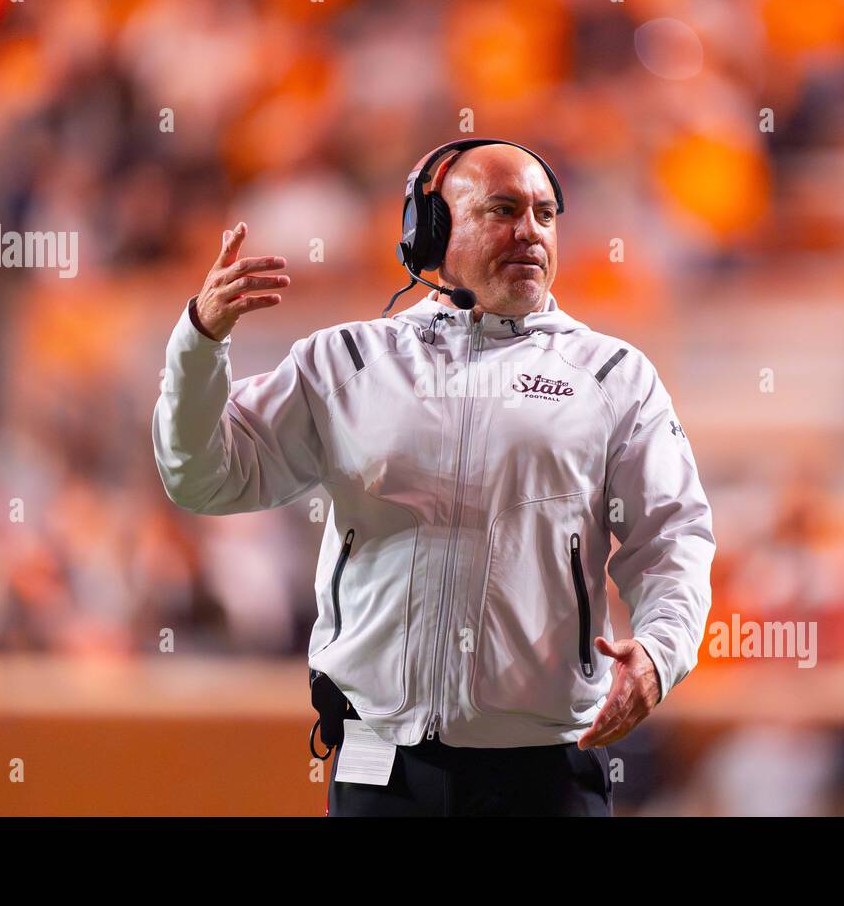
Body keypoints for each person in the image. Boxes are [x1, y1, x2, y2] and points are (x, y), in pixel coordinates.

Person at [152, 139, 716, 816]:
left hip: (546, 769)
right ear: (430, 232)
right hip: (378, 758)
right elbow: (202, 477)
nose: (530, 230)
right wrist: (199, 344)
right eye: (502, 209)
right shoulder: (349, 361)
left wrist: (658, 654)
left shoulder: (611, 376)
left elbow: (673, 540)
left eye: (544, 213)